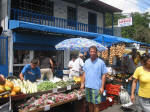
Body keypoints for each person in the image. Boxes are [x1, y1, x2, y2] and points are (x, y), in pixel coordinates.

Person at [80, 46, 108, 112]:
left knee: (96, 104)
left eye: (94, 52)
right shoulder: (86, 62)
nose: (92, 53)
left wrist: (102, 87)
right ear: (89, 52)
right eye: (91, 51)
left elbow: (104, 75)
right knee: (89, 103)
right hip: (87, 86)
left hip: (96, 87)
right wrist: (82, 83)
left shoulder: (101, 62)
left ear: (97, 53)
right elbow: (84, 73)